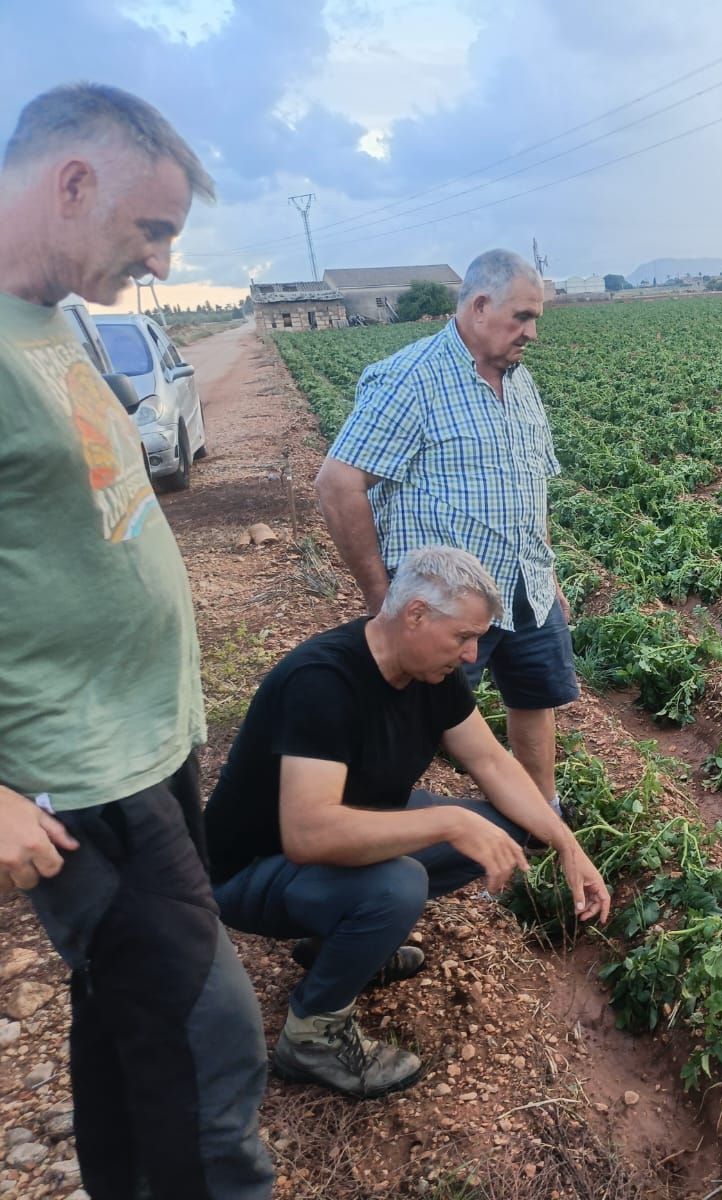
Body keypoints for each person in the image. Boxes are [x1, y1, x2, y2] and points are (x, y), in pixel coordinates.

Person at [0, 85, 274, 1198]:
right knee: (213, 1043)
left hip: (148, 743)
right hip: (77, 772)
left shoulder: (49, 318)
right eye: (152, 229)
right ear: (73, 184)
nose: (161, 262)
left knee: (130, 1026)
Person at [203, 546, 610, 1099]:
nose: (472, 655)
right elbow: (309, 834)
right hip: (251, 870)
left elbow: (491, 762)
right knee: (399, 883)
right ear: (415, 614)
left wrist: (565, 842)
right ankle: (312, 1034)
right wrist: (444, 822)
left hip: (339, 838)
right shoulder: (322, 681)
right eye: (463, 637)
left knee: (506, 826)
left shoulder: (430, 674)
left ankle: (343, 946)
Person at [317, 248, 576, 818]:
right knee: (416, 722)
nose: (532, 333)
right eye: (523, 317)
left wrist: (547, 567)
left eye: (536, 319)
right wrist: (379, 592)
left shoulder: (521, 381)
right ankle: (375, 829)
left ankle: (540, 814)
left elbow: (531, 484)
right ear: (479, 306)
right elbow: (338, 484)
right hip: (445, 602)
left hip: (525, 584)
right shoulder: (410, 378)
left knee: (534, 699)